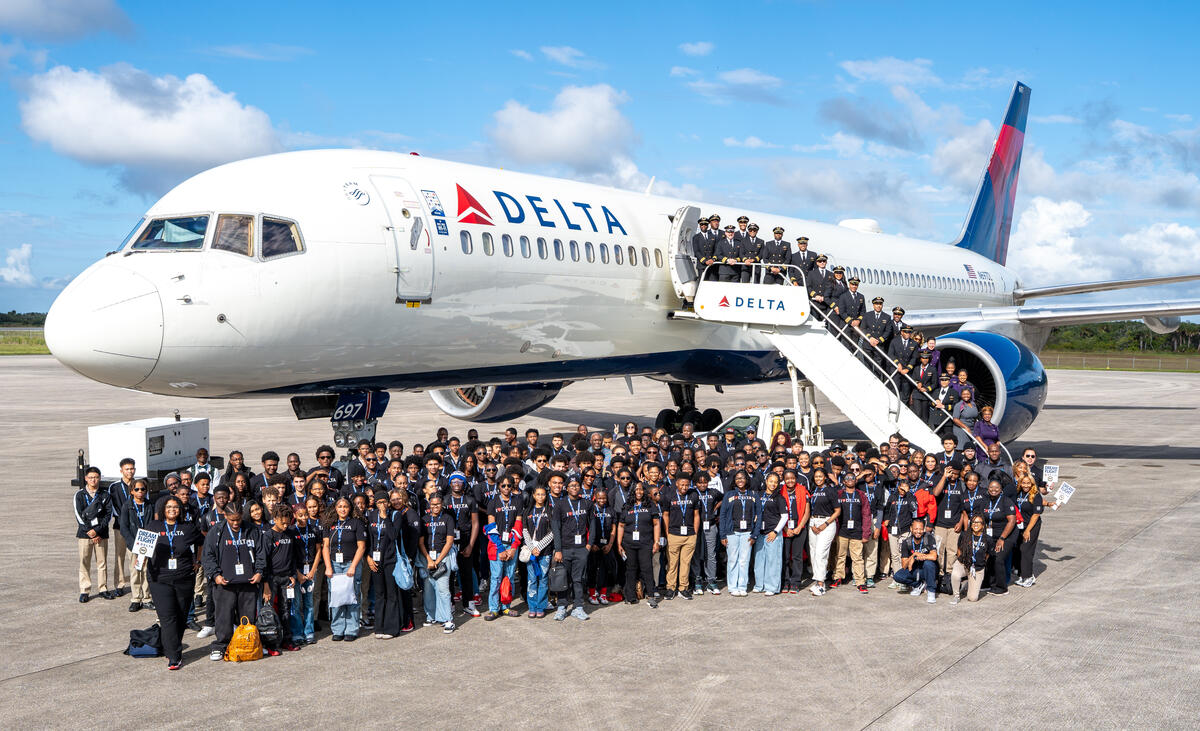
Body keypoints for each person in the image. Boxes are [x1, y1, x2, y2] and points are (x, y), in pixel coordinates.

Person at [145, 496, 204, 670]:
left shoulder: (188, 527)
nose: (172, 509)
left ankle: (169, 646)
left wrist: (198, 560)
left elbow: (201, 542)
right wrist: (139, 560)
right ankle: (174, 655)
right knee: (167, 616)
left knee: (181, 616)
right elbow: (143, 547)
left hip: (184, 577)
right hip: (159, 579)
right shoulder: (153, 526)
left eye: (176, 507)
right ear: (163, 509)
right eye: (169, 507)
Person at [202, 503, 267, 660]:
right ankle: (221, 646)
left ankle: (249, 642)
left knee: (248, 616)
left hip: (248, 582)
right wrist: (215, 575)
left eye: (238, 519)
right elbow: (208, 555)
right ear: (225, 516)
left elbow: (261, 553)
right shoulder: (216, 531)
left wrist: (259, 572)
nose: (236, 523)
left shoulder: (252, 530)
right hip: (225, 583)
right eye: (232, 520)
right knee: (223, 616)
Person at [322, 497, 367, 641]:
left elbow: (361, 547)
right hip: (334, 564)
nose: (342, 509)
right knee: (336, 597)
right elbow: (326, 547)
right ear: (335, 508)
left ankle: (352, 629)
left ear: (350, 508)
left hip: (351, 563)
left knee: (352, 596)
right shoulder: (330, 524)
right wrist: (328, 567)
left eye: (345, 506)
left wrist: (353, 566)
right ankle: (338, 629)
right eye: (340, 506)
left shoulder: (356, 523)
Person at [261, 504, 302, 655]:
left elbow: (292, 557)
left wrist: (293, 575)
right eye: (282, 523)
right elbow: (263, 560)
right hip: (271, 580)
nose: (285, 526)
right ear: (275, 519)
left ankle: (287, 640)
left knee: (286, 611)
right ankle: (270, 644)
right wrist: (265, 584)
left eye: (287, 523)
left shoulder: (289, 534)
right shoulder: (267, 536)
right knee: (269, 612)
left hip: (287, 578)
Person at [552, 473, 593, 619]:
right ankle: (562, 607)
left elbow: (592, 525)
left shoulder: (587, 503)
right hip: (565, 548)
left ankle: (578, 607)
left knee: (578, 579)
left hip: (581, 548)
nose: (574, 488)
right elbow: (555, 528)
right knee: (563, 579)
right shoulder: (560, 505)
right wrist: (558, 550)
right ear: (566, 488)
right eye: (571, 486)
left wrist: (588, 545)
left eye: (576, 485)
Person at [365, 492, 403, 638]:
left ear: (388, 503)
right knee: (380, 594)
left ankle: (391, 628)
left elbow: (393, 535)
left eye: (384, 502)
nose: (381, 504)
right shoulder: (371, 516)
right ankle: (379, 627)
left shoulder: (395, 515)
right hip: (375, 560)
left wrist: (385, 516)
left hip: (390, 560)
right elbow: (368, 538)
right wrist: (368, 557)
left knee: (391, 593)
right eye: (379, 502)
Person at [484, 477, 524, 618]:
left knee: (509, 577)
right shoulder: (493, 502)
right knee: (496, 577)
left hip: (512, 544)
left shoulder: (518, 501)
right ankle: (494, 608)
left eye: (509, 485)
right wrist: (500, 549)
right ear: (498, 486)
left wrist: (513, 548)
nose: (506, 488)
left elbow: (518, 525)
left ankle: (506, 606)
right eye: (503, 485)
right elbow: (491, 527)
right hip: (496, 544)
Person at [617, 481, 661, 607]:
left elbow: (656, 524)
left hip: (645, 543)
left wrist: (656, 542)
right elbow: (621, 526)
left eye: (641, 489)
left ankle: (651, 595)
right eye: (636, 490)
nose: (639, 492)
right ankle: (630, 596)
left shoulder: (650, 505)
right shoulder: (627, 506)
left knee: (647, 569)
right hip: (629, 543)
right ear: (632, 491)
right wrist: (619, 544)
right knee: (631, 569)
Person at [74, 466, 113, 602]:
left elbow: (108, 515)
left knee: (102, 562)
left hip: (101, 534)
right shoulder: (79, 495)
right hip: (85, 534)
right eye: (90, 477)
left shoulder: (105, 494)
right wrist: (89, 531)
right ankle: (84, 590)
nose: (93, 480)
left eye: (96, 477)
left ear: (100, 478)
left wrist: (97, 531)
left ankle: (103, 588)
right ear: (86, 479)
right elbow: (79, 516)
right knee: (84, 562)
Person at [444, 472, 480, 617]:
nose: (457, 483)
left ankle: (469, 604)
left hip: (466, 539)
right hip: (449, 540)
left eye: (460, 481)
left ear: (464, 483)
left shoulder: (470, 500)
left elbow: (475, 523)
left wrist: (471, 545)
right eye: (454, 481)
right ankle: (450, 604)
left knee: (466, 573)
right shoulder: (445, 500)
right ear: (450, 483)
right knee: (449, 574)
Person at [419, 495, 456, 633]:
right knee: (428, 589)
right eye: (432, 505)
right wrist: (429, 559)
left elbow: (449, 541)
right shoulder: (424, 519)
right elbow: (421, 542)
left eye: (437, 504)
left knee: (443, 589)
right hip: (427, 558)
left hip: (443, 558)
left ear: (442, 504)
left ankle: (447, 619)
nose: (435, 507)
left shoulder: (448, 519)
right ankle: (431, 616)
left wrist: (438, 560)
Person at [718, 470, 758, 596]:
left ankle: (742, 586)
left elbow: (759, 515)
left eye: (742, 478)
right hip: (732, 532)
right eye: (737, 478)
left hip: (748, 532)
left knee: (744, 560)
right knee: (732, 560)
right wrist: (723, 535)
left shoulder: (753, 494)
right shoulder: (729, 495)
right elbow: (723, 515)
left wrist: (754, 534)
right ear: (734, 481)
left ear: (747, 479)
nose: (740, 480)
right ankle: (733, 586)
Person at [660, 474, 699, 600]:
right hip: (674, 534)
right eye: (682, 484)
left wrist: (695, 533)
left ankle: (683, 588)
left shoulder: (693, 495)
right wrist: (667, 533)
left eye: (687, 485)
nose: (684, 487)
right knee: (672, 563)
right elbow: (665, 515)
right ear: (676, 484)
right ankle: (670, 588)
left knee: (685, 563)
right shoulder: (669, 496)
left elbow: (696, 515)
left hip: (689, 535)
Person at [831, 472, 871, 594]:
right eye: (847, 478)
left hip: (857, 531)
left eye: (852, 478)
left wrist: (866, 533)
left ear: (855, 480)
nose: (850, 480)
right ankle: (838, 577)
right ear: (843, 481)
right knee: (840, 555)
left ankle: (860, 582)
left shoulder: (861, 495)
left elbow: (866, 514)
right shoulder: (839, 494)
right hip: (842, 531)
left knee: (857, 558)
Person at [118, 478, 153, 611]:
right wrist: (133, 545)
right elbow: (124, 527)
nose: (140, 492)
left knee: (146, 570)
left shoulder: (150, 505)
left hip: (147, 543)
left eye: (142, 489)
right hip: (133, 544)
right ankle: (136, 598)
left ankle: (147, 598)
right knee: (135, 571)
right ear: (132, 491)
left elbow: (153, 524)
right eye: (137, 489)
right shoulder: (127, 506)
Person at [979, 479, 1017, 595]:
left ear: (1001, 490)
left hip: (1007, 535)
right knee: (988, 558)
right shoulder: (985, 501)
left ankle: (1001, 587)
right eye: (991, 487)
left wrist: (1002, 539)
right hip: (991, 535)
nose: (993, 490)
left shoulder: (1006, 501)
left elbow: (1012, 521)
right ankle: (988, 583)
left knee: (998, 558)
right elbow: (982, 518)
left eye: (996, 488)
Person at [290, 503, 321, 644]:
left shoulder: (314, 529)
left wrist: (313, 570)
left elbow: (318, 550)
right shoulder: (291, 531)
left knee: (309, 603)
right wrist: (298, 574)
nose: (303, 517)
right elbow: (288, 554)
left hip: (311, 570)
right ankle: (297, 633)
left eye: (305, 514)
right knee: (296, 604)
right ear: (295, 515)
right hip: (297, 570)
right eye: (300, 515)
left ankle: (309, 632)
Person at [522, 485, 555, 618]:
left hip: (545, 551)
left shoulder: (550, 511)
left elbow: (553, 532)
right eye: (538, 494)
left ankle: (541, 606)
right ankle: (532, 606)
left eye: (543, 494)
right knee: (531, 580)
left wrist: (539, 547)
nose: (541, 497)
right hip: (531, 552)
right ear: (534, 496)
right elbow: (524, 530)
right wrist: (532, 547)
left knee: (543, 579)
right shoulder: (528, 511)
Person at [806, 469, 841, 596]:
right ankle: (817, 581)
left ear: (825, 477)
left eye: (821, 476)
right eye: (816, 477)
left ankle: (821, 585)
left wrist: (825, 524)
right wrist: (812, 524)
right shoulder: (814, 491)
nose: (818, 478)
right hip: (813, 522)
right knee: (814, 554)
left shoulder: (830, 490)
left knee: (821, 553)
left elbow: (837, 511)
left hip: (827, 523)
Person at [751, 473, 787, 595]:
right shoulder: (759, 495)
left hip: (772, 533)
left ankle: (772, 587)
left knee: (773, 561)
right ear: (766, 481)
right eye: (771, 481)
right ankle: (759, 584)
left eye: (775, 482)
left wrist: (776, 531)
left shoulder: (779, 498)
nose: (773, 484)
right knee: (759, 560)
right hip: (760, 532)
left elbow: (784, 517)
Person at [690, 470, 722, 595]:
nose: (703, 485)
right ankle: (698, 580)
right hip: (697, 527)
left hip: (711, 526)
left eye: (705, 482)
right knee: (696, 554)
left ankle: (711, 581)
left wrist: (716, 508)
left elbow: (724, 498)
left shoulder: (713, 492)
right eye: (700, 483)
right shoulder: (692, 493)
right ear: (695, 483)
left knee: (711, 554)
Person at [893, 517, 938, 603]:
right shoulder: (906, 542)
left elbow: (934, 556)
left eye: (921, 529)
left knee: (928, 563)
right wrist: (914, 555)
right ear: (911, 529)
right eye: (916, 529)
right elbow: (904, 565)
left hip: (929, 570)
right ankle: (918, 585)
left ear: (924, 529)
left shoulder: (929, 538)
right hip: (916, 570)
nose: (918, 531)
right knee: (898, 576)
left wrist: (922, 556)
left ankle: (931, 591)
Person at [950, 514, 993, 604]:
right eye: (973, 522)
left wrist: (980, 563)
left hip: (977, 568)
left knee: (972, 598)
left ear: (983, 525)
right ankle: (956, 595)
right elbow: (959, 550)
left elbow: (987, 554)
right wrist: (962, 561)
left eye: (978, 522)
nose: (975, 524)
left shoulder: (988, 539)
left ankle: (969, 584)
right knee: (955, 574)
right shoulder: (964, 535)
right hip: (964, 564)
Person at [780, 470, 810, 593]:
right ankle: (786, 581)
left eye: (792, 478)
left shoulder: (802, 490)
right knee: (785, 557)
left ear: (796, 478)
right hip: (785, 528)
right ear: (784, 480)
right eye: (787, 479)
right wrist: (786, 529)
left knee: (797, 556)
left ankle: (796, 582)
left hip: (799, 527)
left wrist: (799, 527)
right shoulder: (780, 491)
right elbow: (777, 512)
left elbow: (807, 512)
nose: (790, 481)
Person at [1012, 476, 1045, 588]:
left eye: (1028, 483)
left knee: (1026, 550)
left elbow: (1036, 515)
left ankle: (1029, 577)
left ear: (1032, 484)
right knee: (1020, 550)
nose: (1026, 485)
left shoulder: (1036, 496)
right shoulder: (1018, 494)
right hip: (1020, 525)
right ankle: (1023, 575)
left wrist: (1027, 530)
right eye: (1023, 483)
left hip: (1032, 526)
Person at [587, 488, 618, 604]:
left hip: (606, 545)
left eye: (604, 498)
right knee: (592, 569)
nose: (602, 500)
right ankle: (592, 593)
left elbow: (614, 529)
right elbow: (586, 527)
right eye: (599, 498)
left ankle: (603, 593)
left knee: (605, 569)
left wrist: (610, 544)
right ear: (595, 497)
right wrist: (591, 544)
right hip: (593, 545)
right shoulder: (591, 509)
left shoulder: (611, 510)